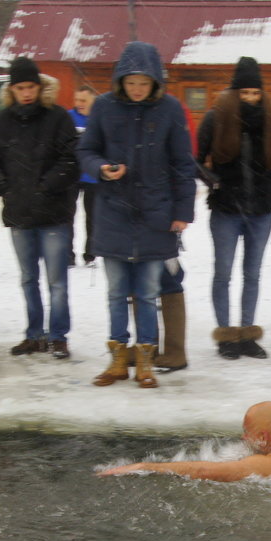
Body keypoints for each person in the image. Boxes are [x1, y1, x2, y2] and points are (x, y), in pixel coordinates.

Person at [78, 41, 197, 389]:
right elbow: (85, 150)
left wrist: (182, 211)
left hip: (156, 215)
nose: (137, 89)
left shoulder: (170, 109)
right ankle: (118, 360)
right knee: (116, 292)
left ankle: (146, 360)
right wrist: (101, 168)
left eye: (144, 83)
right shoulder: (103, 106)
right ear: (121, 81)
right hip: (113, 212)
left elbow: (182, 164)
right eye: (131, 83)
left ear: (155, 82)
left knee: (146, 292)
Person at [0, 56, 79, 359]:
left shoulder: (58, 118)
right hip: (20, 213)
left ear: (39, 87)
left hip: (53, 214)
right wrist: (4, 187)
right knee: (28, 279)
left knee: (57, 281)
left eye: (31, 87)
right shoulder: (0, 122)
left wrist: (46, 186)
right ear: (11, 89)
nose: (26, 93)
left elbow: (71, 159)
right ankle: (34, 334)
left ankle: (58, 335)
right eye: (20, 87)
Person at [197, 56, 271, 361]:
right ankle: (225, 335)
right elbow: (195, 159)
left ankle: (247, 334)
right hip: (226, 212)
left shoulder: (269, 121)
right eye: (244, 92)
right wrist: (214, 181)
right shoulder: (216, 117)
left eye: (255, 92)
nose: (250, 98)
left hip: (260, 213)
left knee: (253, 274)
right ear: (235, 93)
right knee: (223, 274)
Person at [98, 401, 271, 486]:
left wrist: (147, 466)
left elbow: (205, 472)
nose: (244, 438)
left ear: (263, 438)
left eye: (246, 432)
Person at [68, 86, 98, 266]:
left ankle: (90, 255)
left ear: (92, 101)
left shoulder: (98, 118)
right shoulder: (68, 117)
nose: (79, 104)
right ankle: (68, 255)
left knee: (93, 217)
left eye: (83, 100)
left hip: (93, 176)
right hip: (71, 175)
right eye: (77, 100)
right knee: (67, 216)